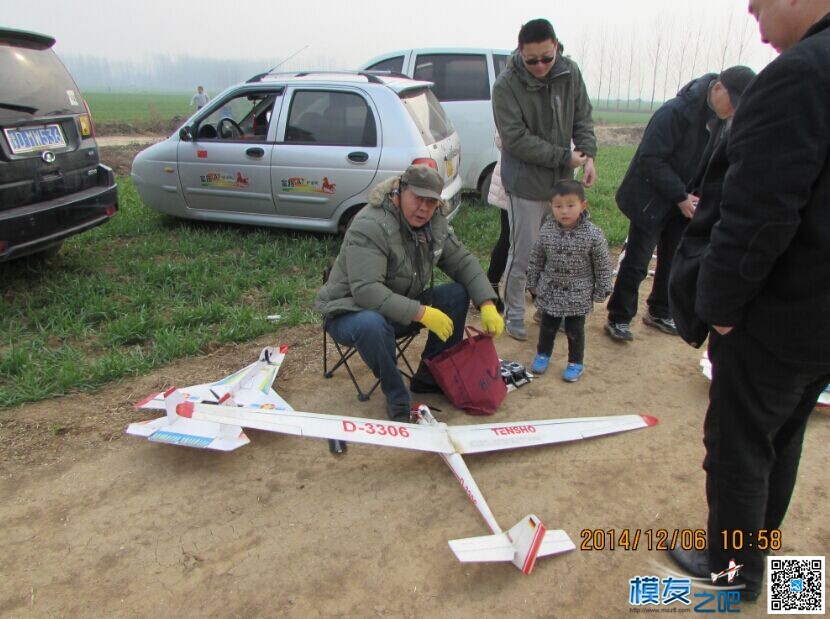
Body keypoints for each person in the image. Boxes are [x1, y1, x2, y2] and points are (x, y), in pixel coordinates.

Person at [667, 0, 830, 602]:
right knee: (782, 438)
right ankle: (757, 563)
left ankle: (732, 577)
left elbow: (758, 215)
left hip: (774, 317)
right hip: (820, 323)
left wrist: (723, 310)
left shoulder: (799, 74)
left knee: (738, 450)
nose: (751, 7)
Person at [314, 165, 504, 422]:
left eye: (431, 202)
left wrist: (487, 303)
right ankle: (396, 395)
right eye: (418, 198)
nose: (424, 208)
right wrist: (421, 312)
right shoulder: (371, 225)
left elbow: (463, 263)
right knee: (372, 322)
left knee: (457, 294)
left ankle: (429, 375)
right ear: (399, 191)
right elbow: (366, 292)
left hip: (398, 307)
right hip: (349, 311)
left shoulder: (434, 223)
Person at [604, 66, 756, 343]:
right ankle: (619, 316)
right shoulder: (675, 111)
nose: (734, 108)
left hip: (685, 203)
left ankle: (660, 310)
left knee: (673, 260)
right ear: (718, 88)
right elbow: (650, 158)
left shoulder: (723, 120)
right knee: (637, 261)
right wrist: (680, 196)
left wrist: (697, 198)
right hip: (651, 199)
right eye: (733, 100)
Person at [492, 18, 597, 342]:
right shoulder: (506, 85)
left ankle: (549, 310)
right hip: (524, 185)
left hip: (561, 185)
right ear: (521, 52)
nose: (539, 65)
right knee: (523, 254)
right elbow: (515, 138)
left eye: (546, 58)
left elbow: (582, 116)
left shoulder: (570, 72)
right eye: (531, 59)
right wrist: (563, 156)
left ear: (556, 47)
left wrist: (588, 154)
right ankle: (512, 314)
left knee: (558, 253)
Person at [525, 180, 612, 382]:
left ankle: (575, 362)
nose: (564, 211)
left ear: (583, 205)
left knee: (575, 330)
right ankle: (543, 354)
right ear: (551, 206)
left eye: (570, 205)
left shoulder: (593, 234)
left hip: (578, 292)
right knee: (547, 326)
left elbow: (602, 264)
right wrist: (532, 281)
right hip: (550, 290)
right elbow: (537, 258)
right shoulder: (546, 230)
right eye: (558, 206)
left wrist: (602, 289)